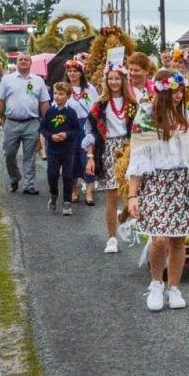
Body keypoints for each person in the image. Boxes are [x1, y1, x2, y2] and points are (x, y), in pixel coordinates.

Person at [126, 70, 189, 311]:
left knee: (178, 240)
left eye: (181, 91)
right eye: (174, 91)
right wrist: (132, 195)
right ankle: (156, 283)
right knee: (158, 238)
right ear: (162, 91)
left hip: (182, 181)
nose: (179, 95)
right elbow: (137, 158)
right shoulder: (146, 117)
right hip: (157, 182)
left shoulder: (186, 115)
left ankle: (174, 288)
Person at [88, 62, 135, 253]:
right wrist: (91, 156)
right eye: (111, 78)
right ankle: (112, 238)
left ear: (123, 80)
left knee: (133, 191)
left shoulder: (132, 103)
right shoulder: (100, 105)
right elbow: (90, 131)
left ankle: (127, 220)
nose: (114, 82)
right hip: (108, 148)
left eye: (117, 78)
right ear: (106, 81)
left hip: (128, 147)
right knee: (112, 194)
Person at [0, 53, 49, 195]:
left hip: (32, 123)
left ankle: (29, 185)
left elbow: (44, 103)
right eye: (20, 60)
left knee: (29, 156)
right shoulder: (7, 80)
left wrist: (47, 122)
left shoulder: (38, 81)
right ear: (16, 63)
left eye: (26, 60)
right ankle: (14, 177)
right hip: (12, 123)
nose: (23, 62)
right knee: (9, 154)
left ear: (31, 63)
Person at [59, 59, 99, 206]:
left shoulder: (89, 89)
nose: (72, 74)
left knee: (88, 158)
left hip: (86, 125)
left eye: (75, 71)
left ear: (81, 73)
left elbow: (96, 107)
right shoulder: (63, 88)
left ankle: (89, 193)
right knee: (72, 159)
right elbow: (57, 108)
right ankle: (74, 191)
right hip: (70, 126)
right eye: (69, 71)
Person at [39, 85, 84, 215]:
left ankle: (67, 201)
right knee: (52, 174)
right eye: (56, 94)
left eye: (61, 94)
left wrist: (66, 135)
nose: (58, 96)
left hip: (68, 149)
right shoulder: (50, 112)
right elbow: (43, 128)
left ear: (68, 96)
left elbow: (76, 130)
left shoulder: (71, 112)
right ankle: (53, 195)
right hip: (53, 149)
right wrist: (51, 136)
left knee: (68, 176)